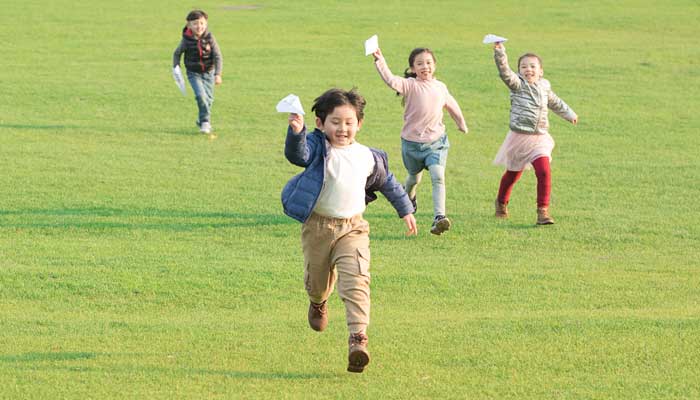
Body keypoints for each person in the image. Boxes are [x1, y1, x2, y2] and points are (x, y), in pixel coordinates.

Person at [281, 88, 417, 373]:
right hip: (318, 227)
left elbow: (388, 183)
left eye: (349, 122)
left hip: (353, 228)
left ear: (359, 124)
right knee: (317, 280)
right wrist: (296, 131)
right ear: (320, 123)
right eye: (335, 121)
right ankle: (318, 302)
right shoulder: (319, 149)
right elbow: (299, 154)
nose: (342, 128)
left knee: (356, 279)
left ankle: (358, 338)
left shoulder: (368, 156)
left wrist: (405, 209)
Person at [372, 47, 468, 235]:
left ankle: (439, 217)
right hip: (412, 144)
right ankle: (408, 200)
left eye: (429, 63)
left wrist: (461, 123)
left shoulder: (440, 87)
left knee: (438, 176)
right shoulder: (410, 85)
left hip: (436, 142)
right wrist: (379, 60)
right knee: (413, 178)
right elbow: (391, 80)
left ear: (435, 65)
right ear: (413, 68)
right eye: (420, 63)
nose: (425, 67)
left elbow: (451, 104)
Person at [491, 42, 579, 224]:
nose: (528, 70)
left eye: (533, 66)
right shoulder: (517, 84)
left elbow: (555, 102)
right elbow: (504, 72)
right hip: (519, 138)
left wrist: (569, 114)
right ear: (519, 71)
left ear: (541, 71)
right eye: (523, 67)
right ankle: (501, 202)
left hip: (540, 138)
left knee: (544, 171)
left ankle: (543, 212)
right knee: (513, 174)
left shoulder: (544, 86)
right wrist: (500, 52)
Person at [172, 10, 223, 135]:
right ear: (189, 25)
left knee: (209, 100)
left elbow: (218, 56)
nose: (199, 26)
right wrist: (176, 67)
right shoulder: (186, 40)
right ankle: (205, 122)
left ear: (206, 24)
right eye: (195, 24)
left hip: (209, 72)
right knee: (201, 96)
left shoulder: (210, 38)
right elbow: (177, 53)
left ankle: (201, 120)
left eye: (202, 23)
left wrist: (218, 74)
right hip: (193, 73)